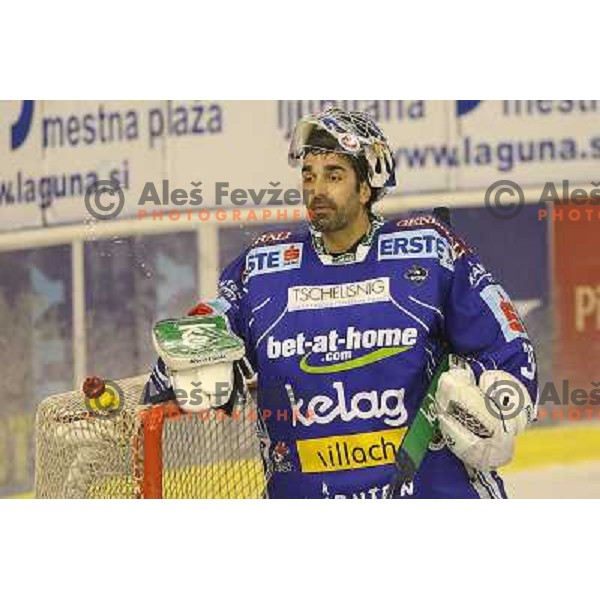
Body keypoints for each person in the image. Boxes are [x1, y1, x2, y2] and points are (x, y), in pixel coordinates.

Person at [144, 106, 538, 499]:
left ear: (366, 187)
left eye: (334, 176)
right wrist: (187, 356)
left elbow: (507, 343)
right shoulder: (263, 267)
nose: (317, 189)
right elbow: (212, 328)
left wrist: (503, 403)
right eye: (308, 175)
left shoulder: (428, 249)